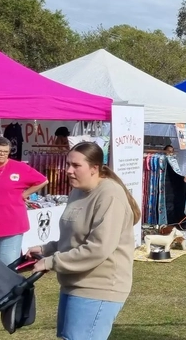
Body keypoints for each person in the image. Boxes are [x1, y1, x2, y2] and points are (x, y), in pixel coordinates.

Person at [28, 142, 141, 339]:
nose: (69, 171)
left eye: (76, 166)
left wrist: (50, 262)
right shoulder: (77, 191)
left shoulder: (109, 194)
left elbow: (98, 248)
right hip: (73, 284)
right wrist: (46, 248)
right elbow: (73, 238)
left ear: (94, 168)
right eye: (68, 164)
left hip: (99, 287)